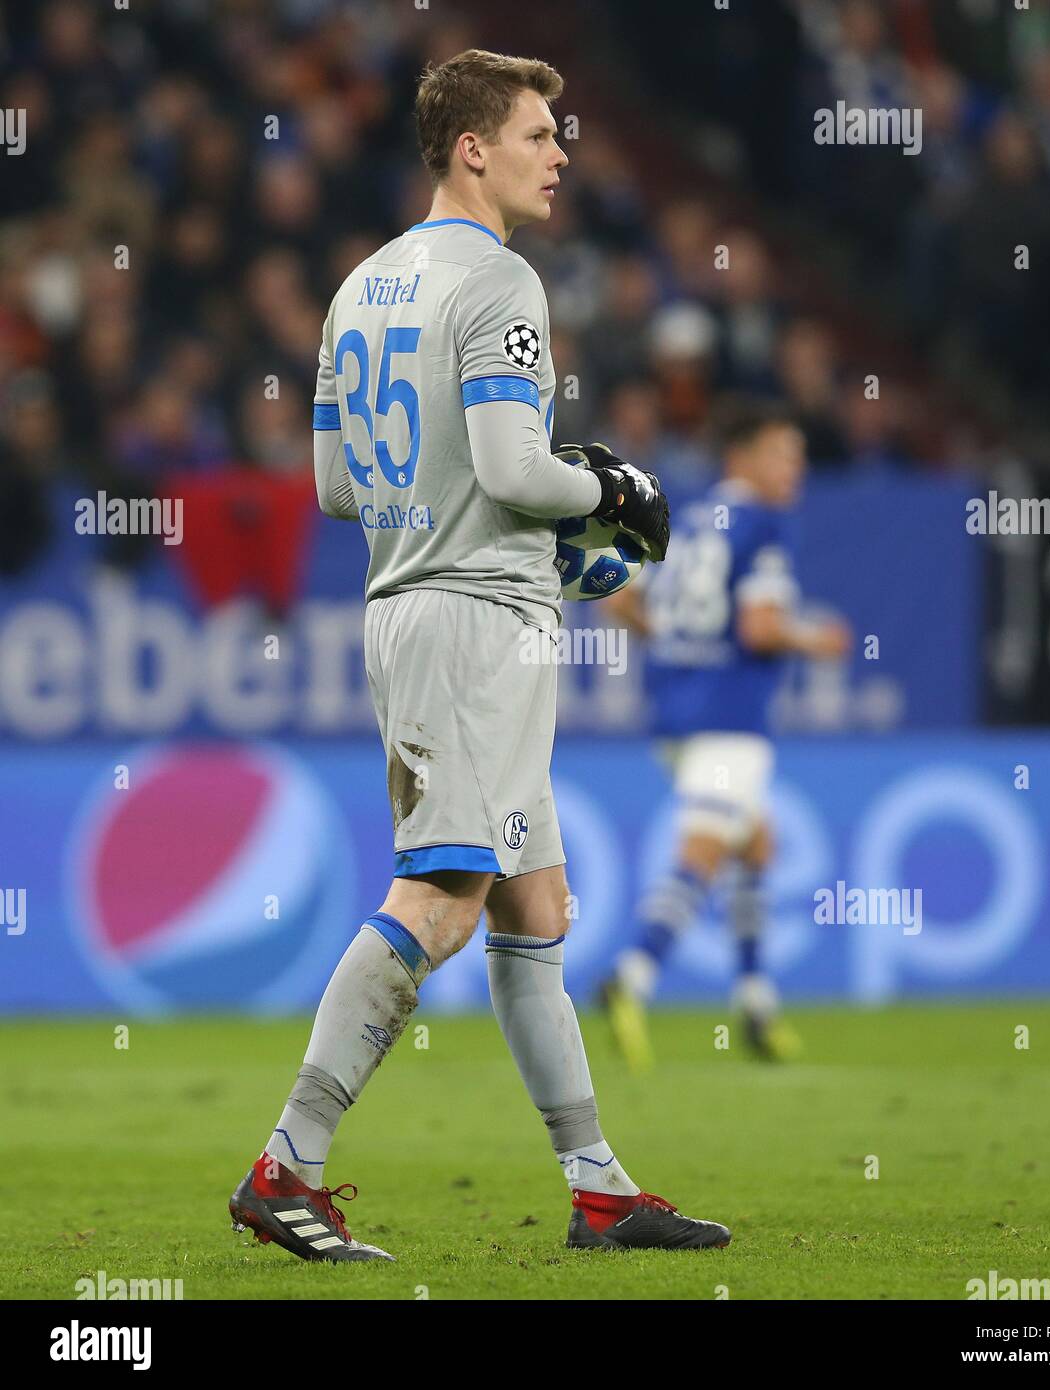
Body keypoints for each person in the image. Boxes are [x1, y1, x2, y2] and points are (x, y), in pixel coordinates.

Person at [228, 48, 729, 1260]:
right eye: (540, 133)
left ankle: (600, 1188)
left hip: (427, 601)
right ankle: (284, 1166)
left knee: (533, 904)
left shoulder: (360, 287)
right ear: (472, 148)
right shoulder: (501, 283)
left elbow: (342, 486)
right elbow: (513, 470)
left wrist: (552, 558)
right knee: (442, 900)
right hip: (469, 632)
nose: (561, 154)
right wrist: (610, 482)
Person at [602, 398, 851, 1069]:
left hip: (674, 713)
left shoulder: (688, 520)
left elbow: (621, 598)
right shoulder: (767, 525)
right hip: (730, 715)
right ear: (741, 457)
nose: (794, 468)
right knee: (706, 850)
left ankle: (754, 1002)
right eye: (781, 453)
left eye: (798, 456)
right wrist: (816, 639)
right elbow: (760, 629)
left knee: (756, 845)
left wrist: (679, 647)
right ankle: (632, 976)